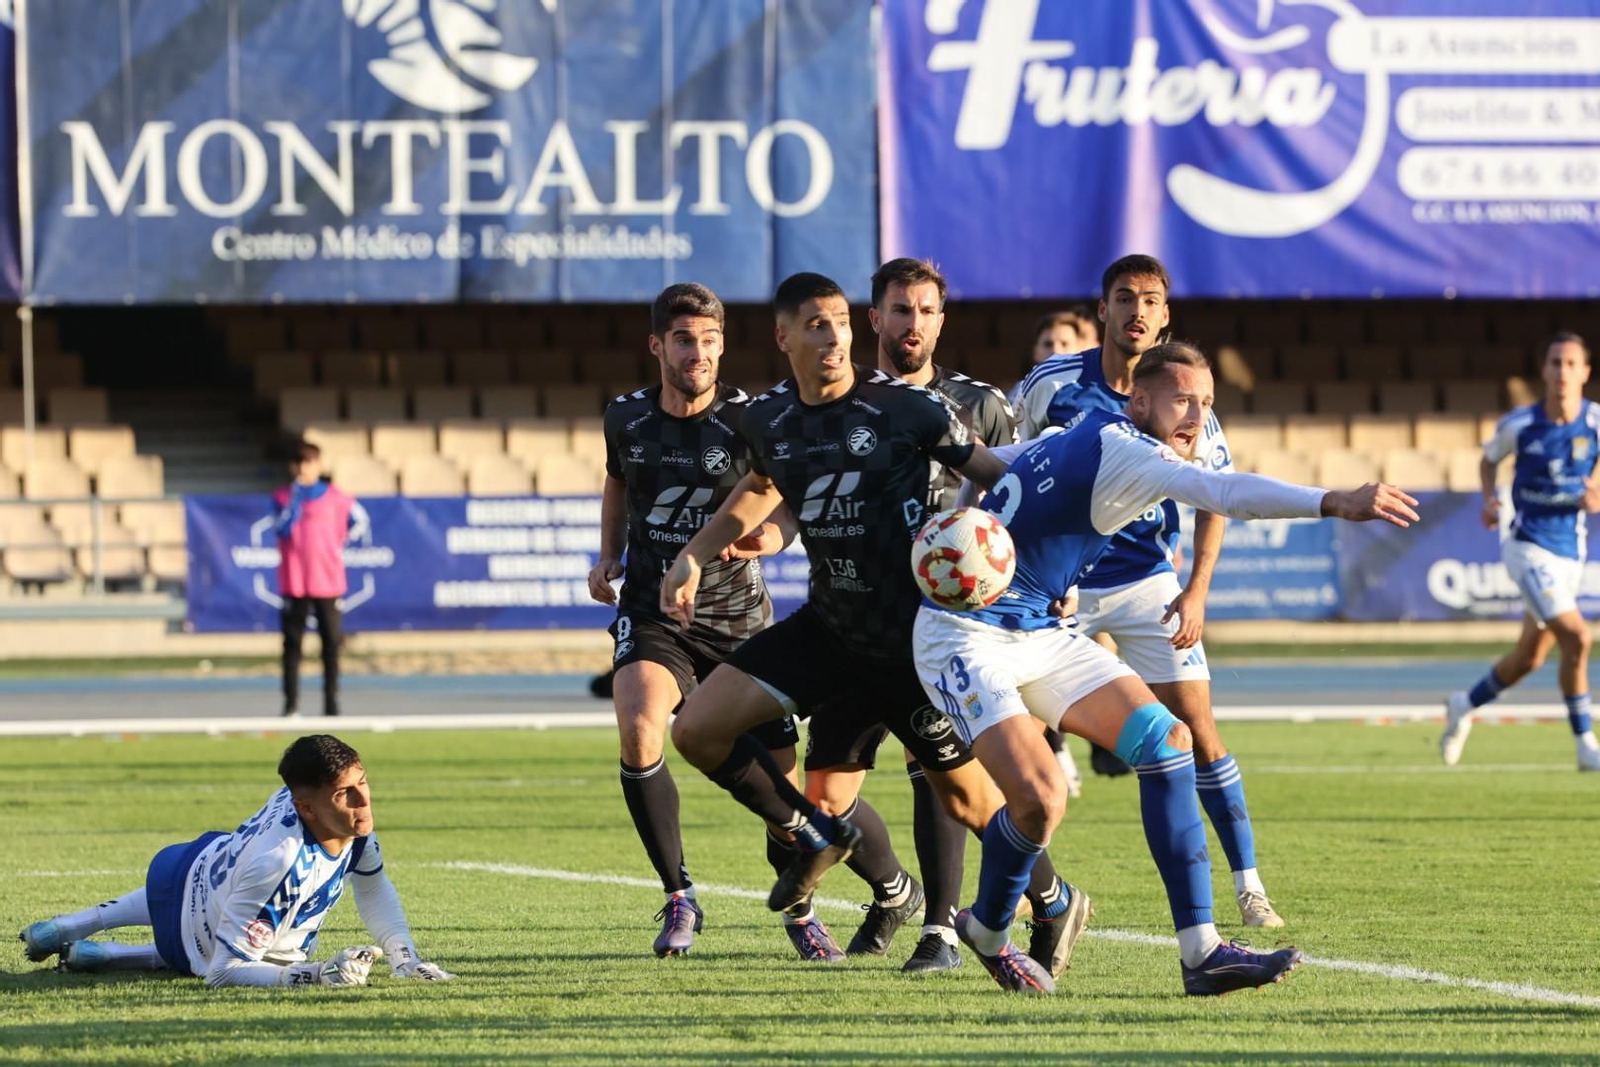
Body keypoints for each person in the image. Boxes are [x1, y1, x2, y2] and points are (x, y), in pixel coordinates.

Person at [918, 343, 1418, 994]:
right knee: (1041, 798)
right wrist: (1332, 499)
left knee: (1168, 739)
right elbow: (1223, 490)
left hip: (1038, 626)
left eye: (1207, 403)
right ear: (1140, 401)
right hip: (965, 636)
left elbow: (998, 466)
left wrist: (973, 500)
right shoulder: (1130, 449)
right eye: (1184, 399)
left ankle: (1200, 952)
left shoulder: (1085, 431)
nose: (1197, 415)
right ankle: (987, 925)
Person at [662, 272, 1090, 981]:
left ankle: (1054, 896)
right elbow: (761, 485)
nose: (833, 338)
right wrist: (693, 555)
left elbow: (999, 480)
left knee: (972, 801)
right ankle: (814, 835)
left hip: (915, 640)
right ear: (784, 337)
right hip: (832, 629)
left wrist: (1043, 571)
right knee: (696, 729)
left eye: (839, 323)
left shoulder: (908, 409)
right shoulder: (766, 417)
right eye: (816, 325)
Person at [1019, 254, 1284, 927]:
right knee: (1015, 738)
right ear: (1101, 309)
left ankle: (1250, 886)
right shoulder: (1050, 384)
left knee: (1198, 730)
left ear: (1167, 315)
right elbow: (1010, 470)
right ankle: (1029, 894)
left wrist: (1195, 590)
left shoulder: (1185, 393)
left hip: (1145, 584)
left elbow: (1217, 498)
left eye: (1151, 301)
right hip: (1061, 587)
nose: (1137, 311)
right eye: (1124, 297)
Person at [591, 281, 839, 960]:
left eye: (708, 340)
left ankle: (799, 908)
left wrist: (777, 535)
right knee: (641, 727)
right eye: (682, 339)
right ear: (657, 345)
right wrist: (609, 553)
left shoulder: (753, 419)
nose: (697, 352)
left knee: (780, 783)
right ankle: (678, 895)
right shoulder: (626, 418)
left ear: (723, 344)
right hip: (653, 612)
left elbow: (787, 493)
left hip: (741, 623)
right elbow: (617, 479)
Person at [856, 257, 1086, 974]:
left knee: (939, 770)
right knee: (822, 793)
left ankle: (941, 930)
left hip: (958, 618)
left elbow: (1028, 493)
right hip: (860, 611)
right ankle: (1028, 893)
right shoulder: (848, 401)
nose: (912, 323)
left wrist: (1053, 577)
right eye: (900, 309)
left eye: (925, 310)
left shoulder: (980, 403)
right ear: (876, 318)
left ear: (941, 319)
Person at [19, 734, 453, 987]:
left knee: (209, 913)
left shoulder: (323, 813)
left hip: (189, 866)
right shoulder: (282, 865)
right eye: (345, 794)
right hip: (203, 931)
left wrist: (404, 959)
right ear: (306, 808)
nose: (364, 801)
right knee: (260, 950)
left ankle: (68, 931)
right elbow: (222, 973)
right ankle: (104, 950)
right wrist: (314, 975)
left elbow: (373, 886)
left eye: (364, 782)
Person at [1442, 332, 1600, 772]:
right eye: (1555, 363)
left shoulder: (1595, 423)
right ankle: (1586, 743)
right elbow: (1488, 460)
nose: (1562, 372)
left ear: (1585, 372)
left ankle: (1462, 704)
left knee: (1530, 657)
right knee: (1578, 637)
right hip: (1527, 546)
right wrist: (1490, 499)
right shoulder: (1521, 425)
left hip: (1571, 551)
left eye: (1571, 364)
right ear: (1544, 371)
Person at [274, 440, 354, 718]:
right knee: (293, 645)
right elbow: (280, 528)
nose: (302, 468)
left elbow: (358, 522)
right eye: (297, 463)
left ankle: (331, 704)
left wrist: (337, 545)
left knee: (331, 644)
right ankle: (291, 704)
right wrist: (295, 500)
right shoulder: (283, 497)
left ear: (318, 465)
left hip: (328, 582)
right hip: (295, 582)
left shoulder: (338, 497)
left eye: (307, 462)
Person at [1006, 307, 1098, 408]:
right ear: (1035, 351)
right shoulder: (1020, 393)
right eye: (1048, 344)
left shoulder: (1096, 391)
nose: (1056, 351)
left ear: (1079, 349)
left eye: (1064, 344)